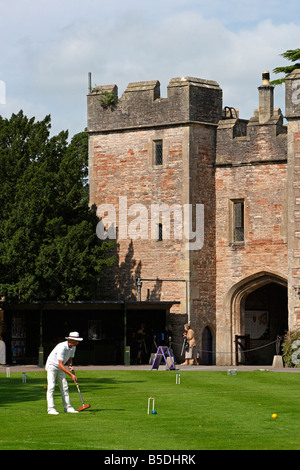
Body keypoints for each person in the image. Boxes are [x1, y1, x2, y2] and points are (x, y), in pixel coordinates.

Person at [45, 331, 83, 415]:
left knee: (64, 387)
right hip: (52, 365)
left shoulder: (73, 347)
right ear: (71, 340)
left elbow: (70, 358)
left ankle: (68, 407)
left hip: (60, 367)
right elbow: (60, 365)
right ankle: (50, 408)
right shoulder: (61, 347)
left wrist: (70, 365)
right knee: (51, 387)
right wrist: (71, 375)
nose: (78, 342)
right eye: (76, 340)